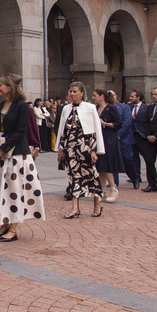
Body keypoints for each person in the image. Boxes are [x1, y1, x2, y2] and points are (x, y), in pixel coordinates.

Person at [0, 74, 41, 243]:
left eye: (0, 85)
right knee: (0, 191)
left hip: (16, 154)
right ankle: (3, 224)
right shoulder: (2, 104)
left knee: (14, 191)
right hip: (0, 155)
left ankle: (13, 228)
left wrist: (3, 148)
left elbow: (20, 131)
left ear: (9, 87)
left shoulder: (22, 106)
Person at [58, 83, 105, 218]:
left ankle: (97, 203)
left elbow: (96, 129)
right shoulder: (66, 109)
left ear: (82, 93)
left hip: (86, 146)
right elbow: (62, 130)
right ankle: (75, 207)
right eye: (70, 91)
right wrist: (61, 148)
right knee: (73, 176)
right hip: (70, 147)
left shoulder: (90, 108)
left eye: (75, 91)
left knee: (91, 174)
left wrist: (95, 150)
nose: (72, 94)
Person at [96, 89, 123, 202]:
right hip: (99, 138)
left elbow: (119, 123)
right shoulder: (96, 108)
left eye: (95, 96)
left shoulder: (111, 107)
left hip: (109, 138)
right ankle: (102, 190)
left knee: (107, 164)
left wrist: (105, 124)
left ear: (102, 96)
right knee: (100, 165)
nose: (94, 98)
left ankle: (113, 188)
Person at [128, 90, 149, 190]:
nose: (130, 98)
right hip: (132, 135)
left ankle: (151, 176)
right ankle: (136, 176)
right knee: (134, 157)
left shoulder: (146, 108)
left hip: (142, 135)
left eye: (132, 96)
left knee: (147, 157)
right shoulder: (130, 108)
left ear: (138, 97)